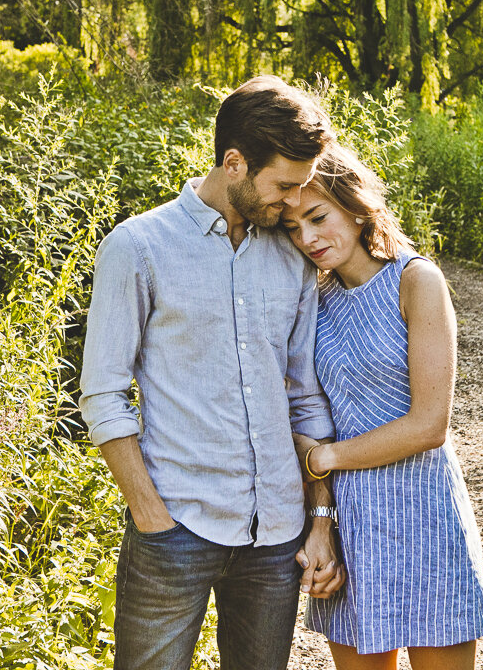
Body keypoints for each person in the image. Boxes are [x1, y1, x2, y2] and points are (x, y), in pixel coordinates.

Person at [79, 76, 346, 670]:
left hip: (275, 532)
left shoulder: (290, 255)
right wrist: (148, 511)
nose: (293, 202)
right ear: (234, 163)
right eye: (282, 186)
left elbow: (304, 394)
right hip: (175, 524)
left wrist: (318, 513)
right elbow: (102, 393)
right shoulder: (139, 247)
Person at [282, 145, 483, 670]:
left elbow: (429, 425)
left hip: (424, 513)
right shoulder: (314, 302)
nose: (307, 238)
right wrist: (321, 522)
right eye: (292, 227)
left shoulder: (415, 281)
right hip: (349, 525)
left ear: (355, 206)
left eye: (317, 217)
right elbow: (309, 421)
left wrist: (324, 458)